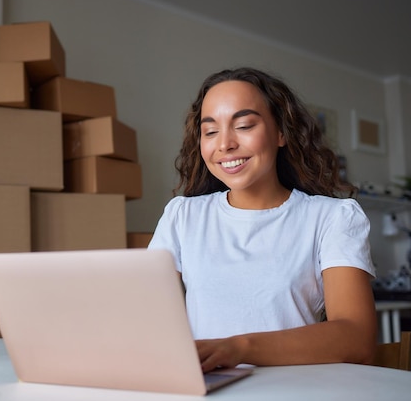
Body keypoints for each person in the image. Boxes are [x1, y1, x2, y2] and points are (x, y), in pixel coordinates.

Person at [148, 67, 377, 372]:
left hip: (298, 395)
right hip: (209, 398)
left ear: (281, 132)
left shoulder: (333, 218)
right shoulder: (182, 216)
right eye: (210, 131)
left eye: (243, 125)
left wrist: (239, 348)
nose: (225, 144)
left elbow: (357, 339)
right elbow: (146, 318)